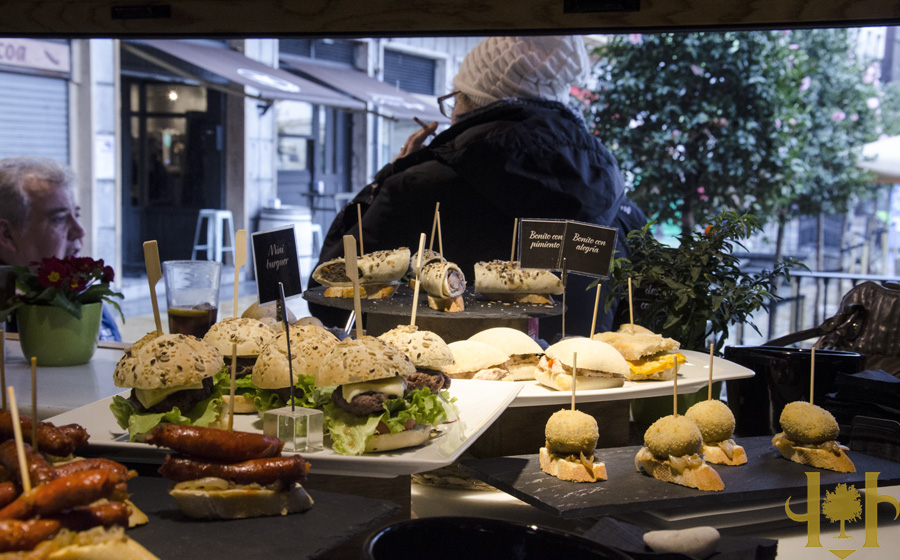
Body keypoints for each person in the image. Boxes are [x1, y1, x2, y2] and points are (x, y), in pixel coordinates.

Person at [310, 35, 647, 339]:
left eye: (454, 99)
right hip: (574, 385)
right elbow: (636, 316)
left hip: (444, 394)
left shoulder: (415, 187)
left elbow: (329, 299)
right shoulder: (610, 195)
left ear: (473, 102)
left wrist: (385, 180)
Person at [0, 156, 122, 341]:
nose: (79, 231)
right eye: (58, 219)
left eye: (76, 215)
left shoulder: (76, 291)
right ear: (6, 235)